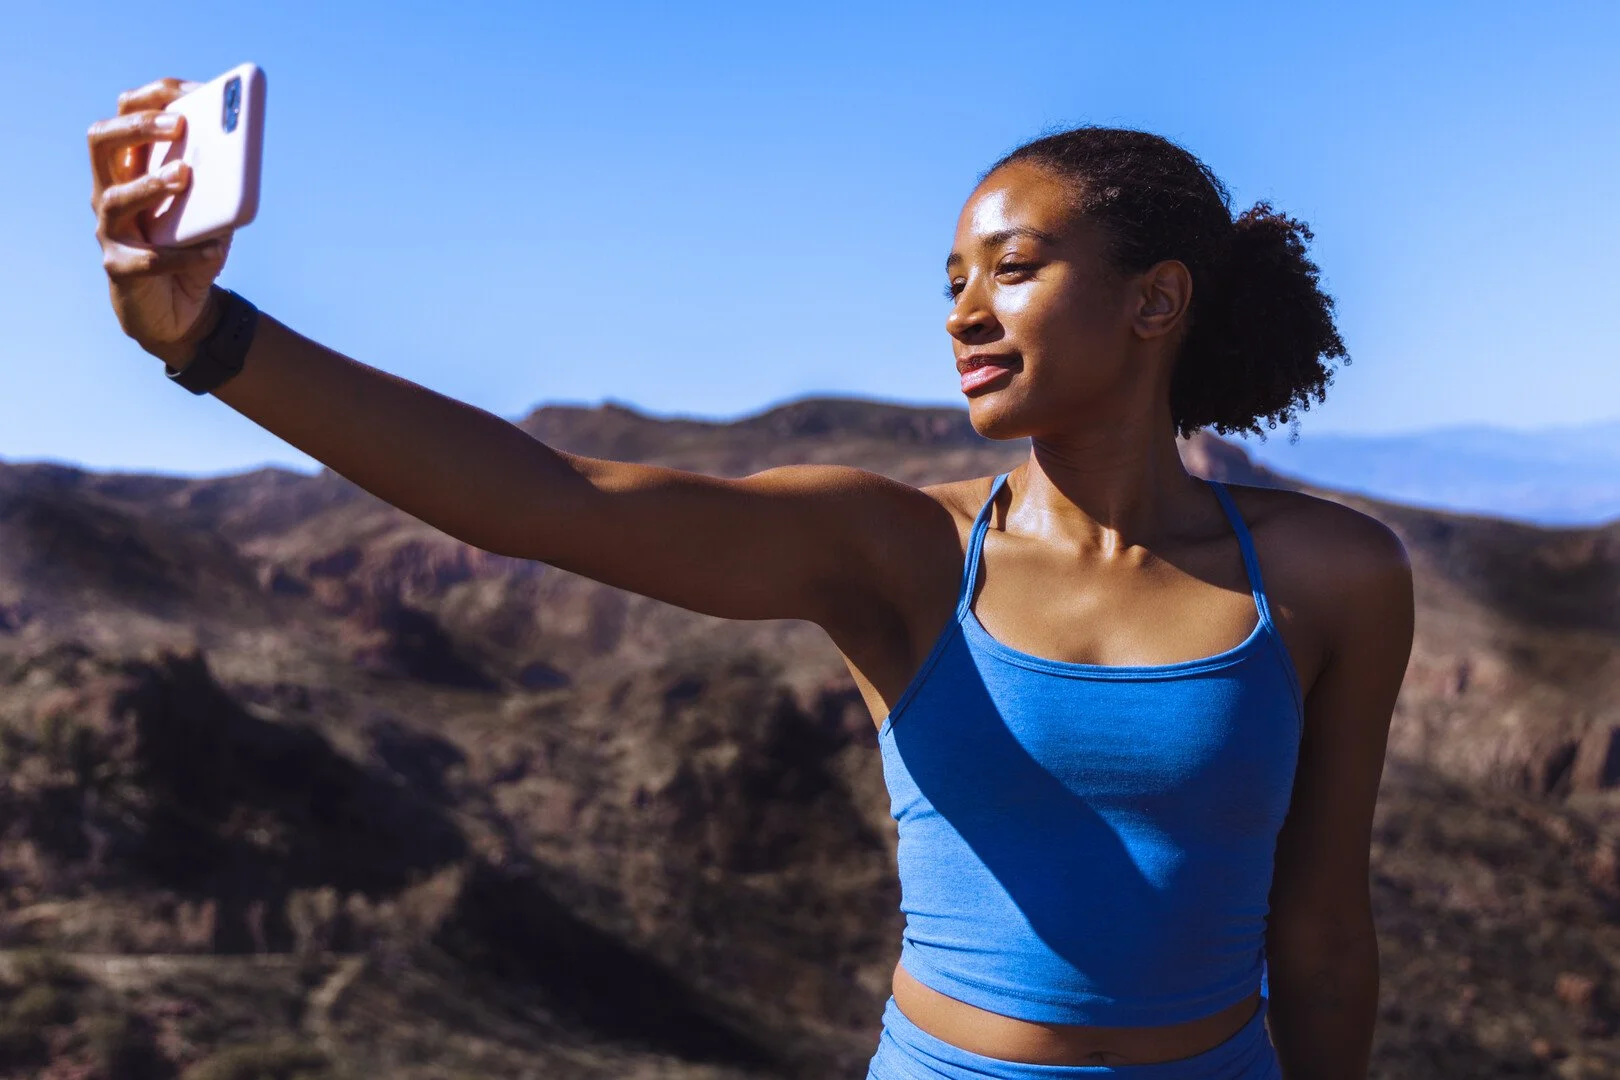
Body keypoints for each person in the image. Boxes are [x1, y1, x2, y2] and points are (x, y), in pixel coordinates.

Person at [88, 78, 1413, 1079]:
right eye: (951, 281)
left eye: (1012, 271)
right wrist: (208, 338)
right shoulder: (897, 552)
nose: (961, 312)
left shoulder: (1334, 576)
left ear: (1155, 301)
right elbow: (548, 503)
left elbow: (1324, 934)